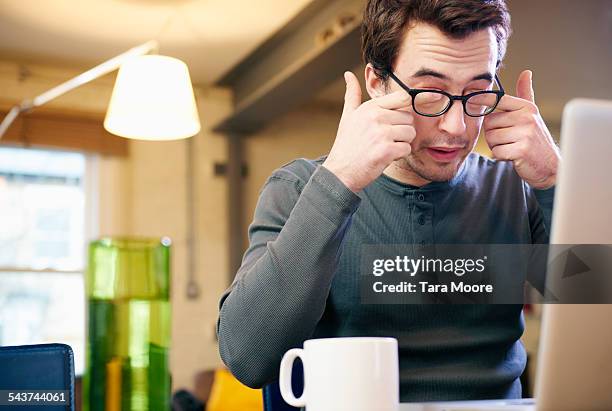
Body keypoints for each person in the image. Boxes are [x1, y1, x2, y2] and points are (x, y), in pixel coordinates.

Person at [217, 0, 559, 401]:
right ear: (377, 83)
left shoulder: (515, 185)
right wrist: (339, 182)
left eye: (477, 91)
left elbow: (596, 314)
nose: (457, 126)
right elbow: (247, 358)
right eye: (430, 93)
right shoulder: (298, 188)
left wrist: (556, 182)